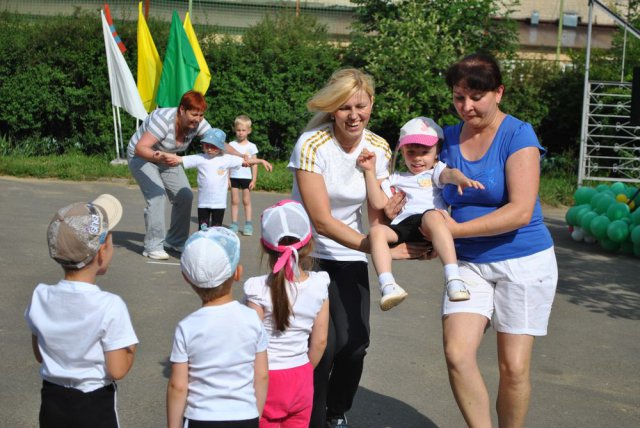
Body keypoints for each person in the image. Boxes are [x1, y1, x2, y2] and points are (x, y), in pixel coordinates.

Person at [288, 68, 426, 428]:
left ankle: (336, 412)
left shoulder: (378, 147)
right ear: (332, 109)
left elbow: (377, 215)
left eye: (360, 106)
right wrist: (373, 247)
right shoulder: (311, 145)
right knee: (323, 346)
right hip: (307, 254)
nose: (353, 115)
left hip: (349, 254)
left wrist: (388, 239)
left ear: (372, 105)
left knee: (355, 345)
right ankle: (310, 417)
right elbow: (321, 220)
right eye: (344, 107)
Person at [435, 52, 557, 427]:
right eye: (459, 97)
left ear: (499, 92)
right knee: (457, 354)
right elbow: (422, 189)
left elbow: (520, 211)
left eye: (476, 97)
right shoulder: (445, 138)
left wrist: (452, 231)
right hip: (467, 264)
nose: (466, 107)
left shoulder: (518, 135)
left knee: (514, 367)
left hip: (524, 261)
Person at [25, 194, 138, 428]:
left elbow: (40, 354)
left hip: (52, 402)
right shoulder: (110, 305)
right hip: (94, 405)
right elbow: (117, 369)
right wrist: (130, 348)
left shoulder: (40, 296)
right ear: (102, 252)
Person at [358, 116, 485, 311]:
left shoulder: (435, 172)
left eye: (425, 152)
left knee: (432, 215)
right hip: (405, 225)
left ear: (437, 152)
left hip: (431, 225)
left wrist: (460, 179)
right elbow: (378, 202)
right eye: (411, 152)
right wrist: (369, 171)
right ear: (402, 151)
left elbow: (449, 174)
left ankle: (454, 278)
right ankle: (388, 284)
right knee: (376, 231)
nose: (417, 158)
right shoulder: (396, 178)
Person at [167, 227, 269, 428]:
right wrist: (255, 415)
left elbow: (178, 386)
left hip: (200, 417)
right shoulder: (252, 318)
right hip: (245, 415)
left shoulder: (186, 327)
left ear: (186, 277)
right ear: (238, 273)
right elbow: (262, 375)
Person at [244, 200, 330, 428]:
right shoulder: (319, 285)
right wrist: (304, 370)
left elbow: (249, 342)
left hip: (265, 376)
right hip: (301, 376)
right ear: (309, 243)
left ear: (264, 246)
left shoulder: (257, 289)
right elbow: (320, 341)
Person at [127, 90, 240, 260]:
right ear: (182, 110)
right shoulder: (163, 120)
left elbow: (219, 143)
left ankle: (175, 241)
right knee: (157, 195)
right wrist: (159, 157)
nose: (198, 119)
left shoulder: (199, 123)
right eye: (194, 114)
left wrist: (243, 156)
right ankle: (153, 246)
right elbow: (140, 148)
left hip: (168, 157)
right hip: (142, 156)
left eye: (201, 115)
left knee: (185, 196)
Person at [165, 128, 272, 231]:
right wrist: (161, 154)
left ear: (221, 147)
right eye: (207, 145)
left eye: (213, 146)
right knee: (203, 231)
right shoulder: (199, 158)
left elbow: (246, 161)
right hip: (203, 204)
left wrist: (261, 161)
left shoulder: (227, 159)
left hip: (219, 204)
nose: (209, 149)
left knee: (216, 231)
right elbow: (179, 159)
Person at [229, 115, 260, 236]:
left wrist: (254, 179)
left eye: (243, 130)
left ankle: (248, 224)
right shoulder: (231, 145)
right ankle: (234, 224)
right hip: (234, 176)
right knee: (234, 201)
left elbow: (255, 164)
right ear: (235, 130)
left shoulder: (252, 146)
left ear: (249, 131)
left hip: (246, 178)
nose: (241, 133)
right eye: (238, 130)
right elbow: (228, 163)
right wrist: (227, 178)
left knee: (246, 201)